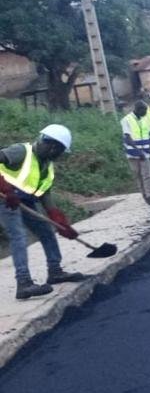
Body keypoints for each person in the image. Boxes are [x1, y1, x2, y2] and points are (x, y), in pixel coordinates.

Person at [0, 125, 85, 300]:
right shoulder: (20, 152)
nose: (59, 156)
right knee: (18, 236)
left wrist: (56, 217)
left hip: (25, 200)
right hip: (5, 199)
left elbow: (44, 193)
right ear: (53, 146)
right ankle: (23, 283)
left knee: (46, 231)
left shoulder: (47, 165)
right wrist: (5, 188)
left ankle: (55, 271)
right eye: (60, 151)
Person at [121, 100, 150, 204]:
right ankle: (145, 195)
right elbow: (127, 137)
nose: (146, 113)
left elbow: (148, 134)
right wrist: (138, 151)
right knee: (138, 175)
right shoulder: (126, 120)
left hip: (145, 152)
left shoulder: (145, 119)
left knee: (147, 175)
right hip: (133, 154)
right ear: (138, 110)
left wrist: (149, 149)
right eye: (144, 110)